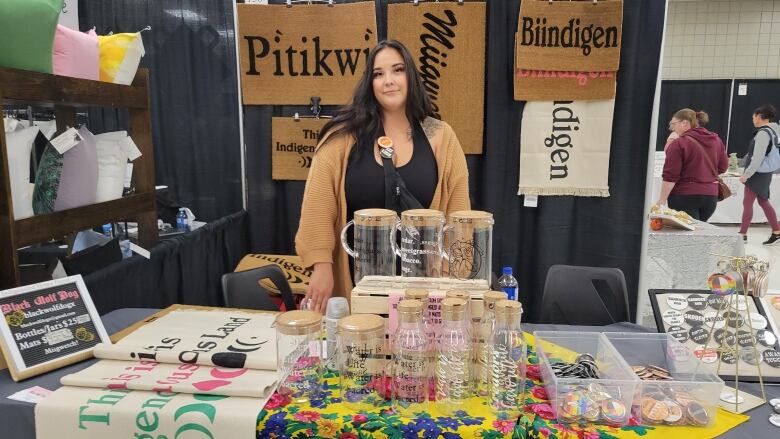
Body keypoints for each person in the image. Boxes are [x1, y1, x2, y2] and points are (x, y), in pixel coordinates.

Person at [295, 40, 470, 313]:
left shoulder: (440, 136)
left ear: (410, 76)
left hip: (423, 291)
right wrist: (322, 265)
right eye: (378, 74)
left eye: (397, 70)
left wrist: (450, 274)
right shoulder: (342, 136)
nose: (388, 81)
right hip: (358, 286)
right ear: (370, 82)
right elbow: (318, 204)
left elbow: (460, 216)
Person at [655, 109, 728, 221]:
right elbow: (723, 167)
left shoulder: (679, 144)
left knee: (685, 235)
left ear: (685, 123)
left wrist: (662, 200)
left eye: (673, 124)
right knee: (698, 233)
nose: (672, 128)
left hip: (684, 196)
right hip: (710, 197)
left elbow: (671, 175)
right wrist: (704, 174)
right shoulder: (716, 140)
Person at [738, 104, 780, 244]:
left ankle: (742, 234)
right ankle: (777, 232)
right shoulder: (775, 130)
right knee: (763, 201)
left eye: (753, 117)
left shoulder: (763, 133)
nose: (752, 119)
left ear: (759, 116)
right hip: (766, 171)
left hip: (757, 172)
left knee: (748, 202)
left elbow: (757, 157)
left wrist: (747, 174)